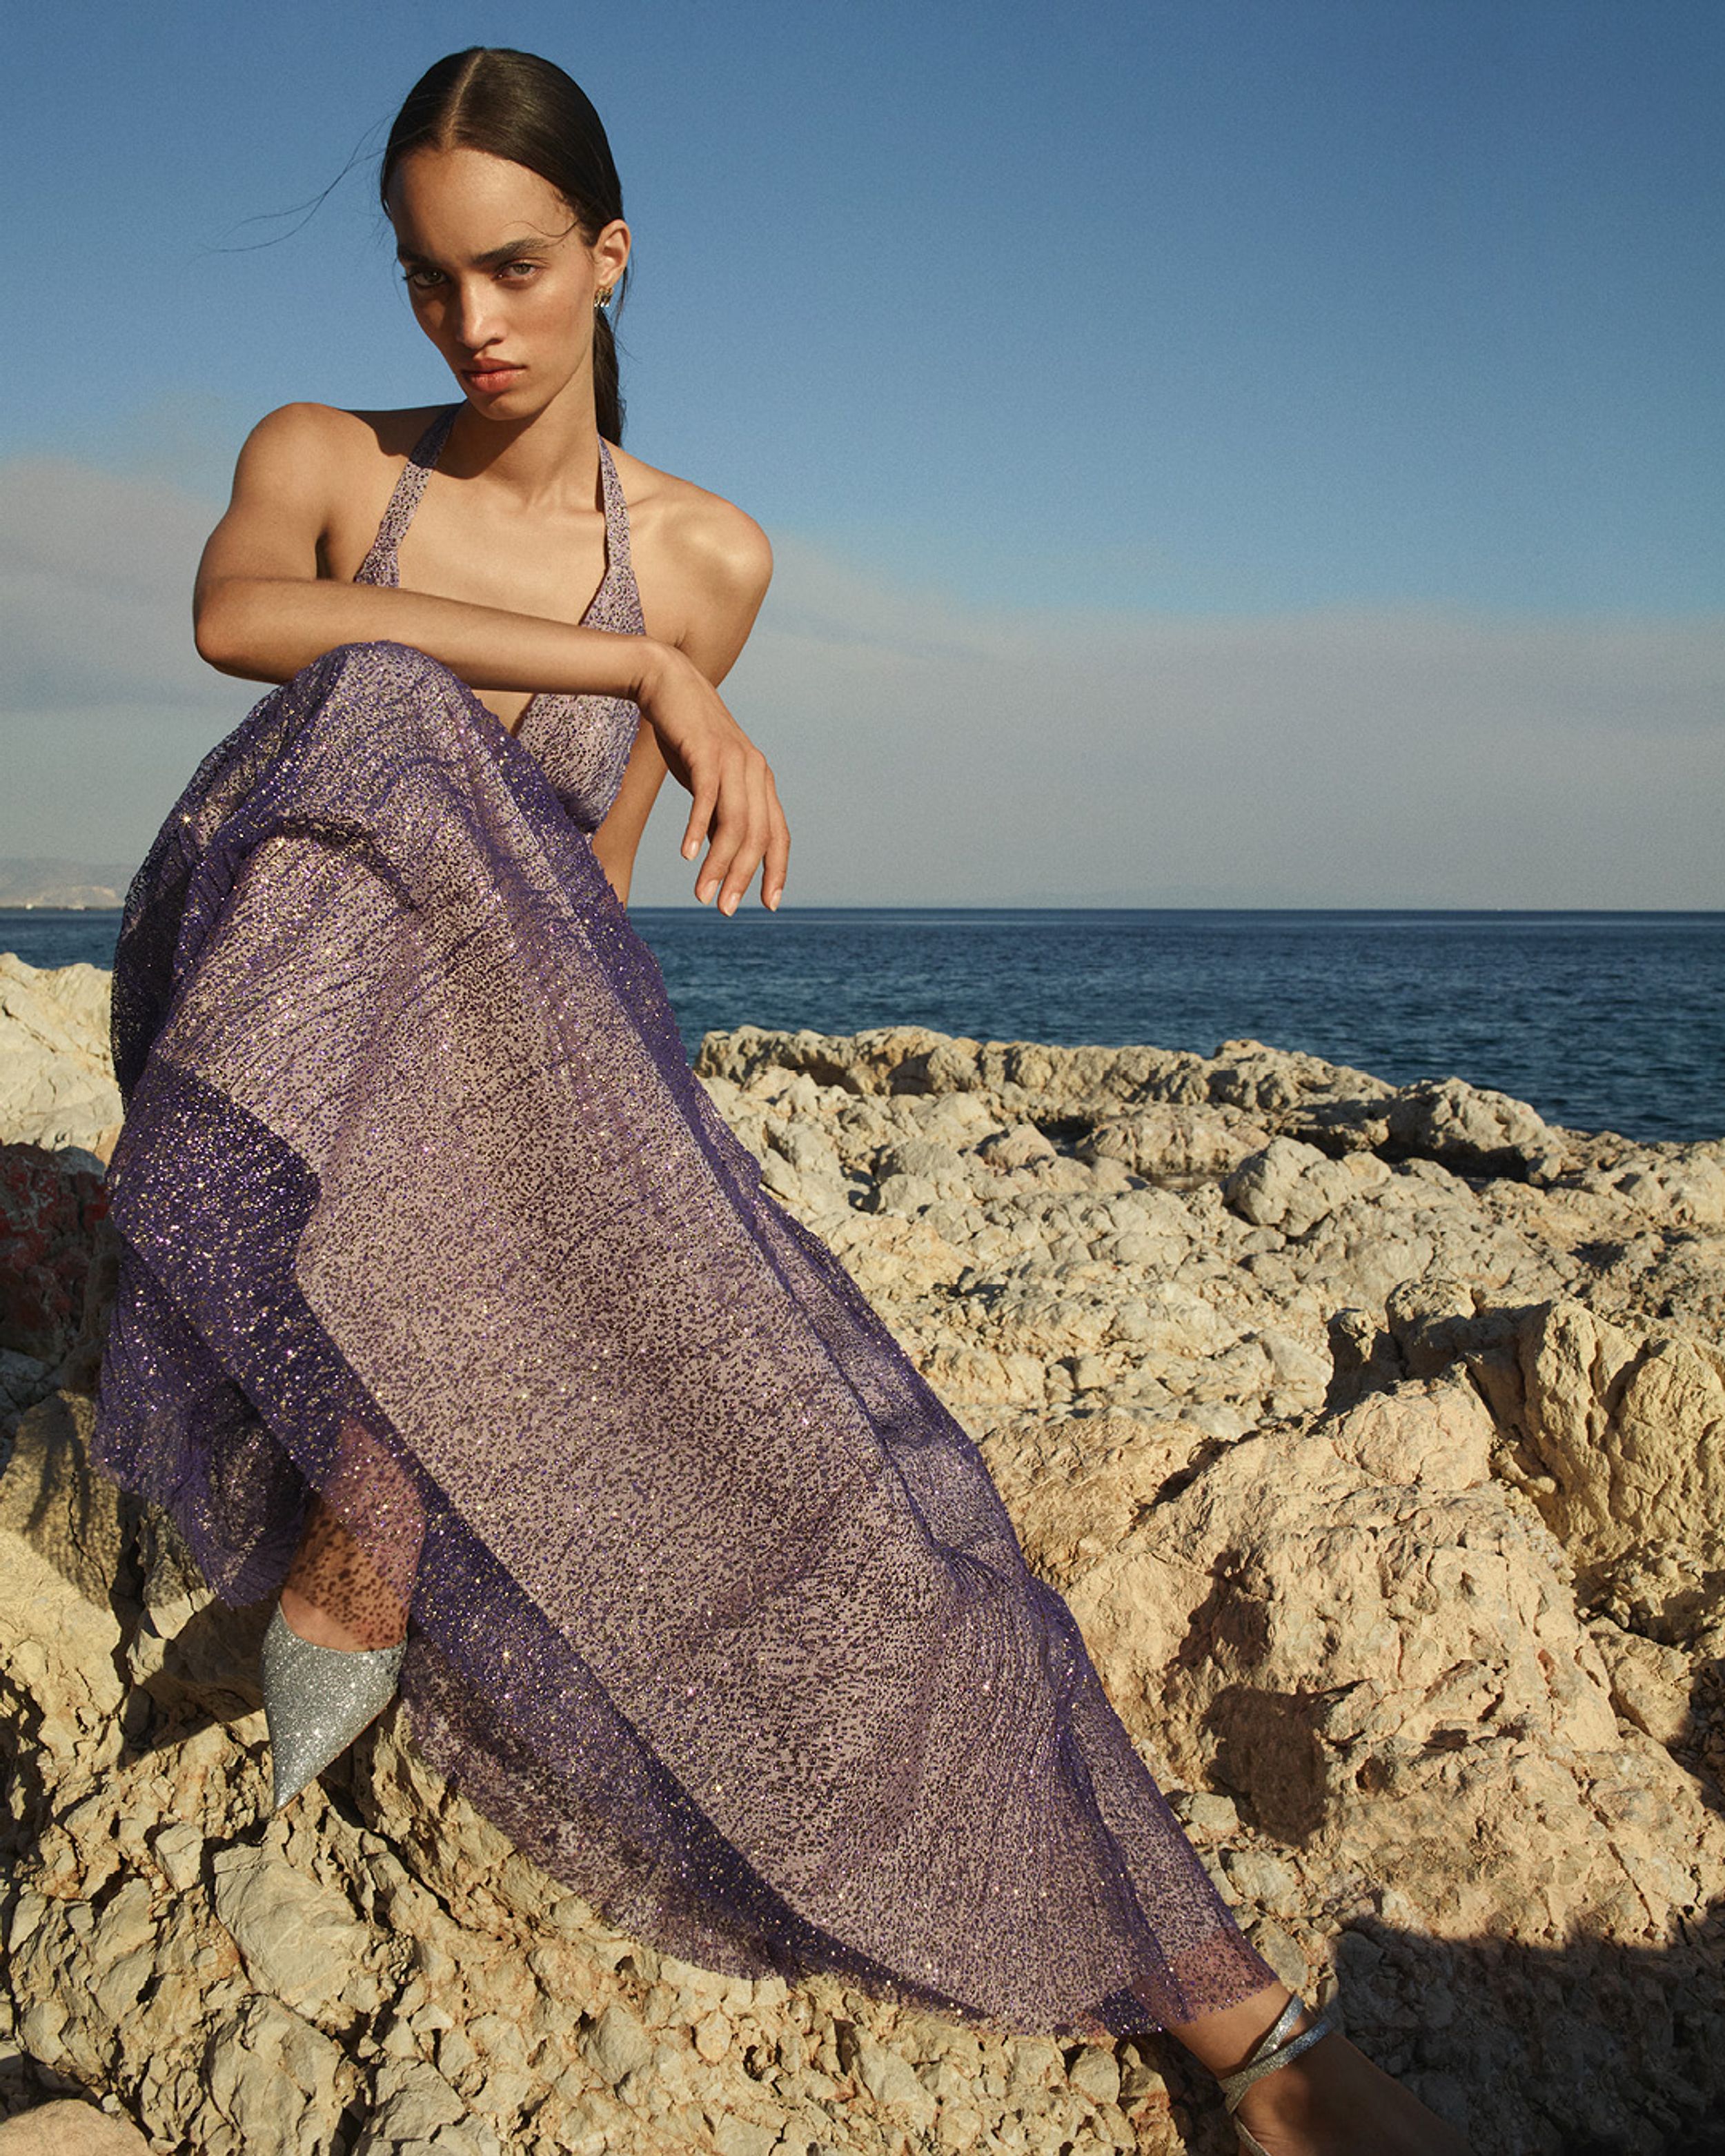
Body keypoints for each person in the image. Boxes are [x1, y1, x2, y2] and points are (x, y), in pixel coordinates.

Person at [88, 48, 1468, 2156]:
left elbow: (581, 902)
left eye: (520, 269)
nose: (474, 324)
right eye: (432, 279)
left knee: (846, 1464)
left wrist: (631, 1175)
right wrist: (627, 673)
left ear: (610, 257)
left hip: (478, 1057)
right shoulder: (325, 464)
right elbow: (233, 624)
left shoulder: (708, 556)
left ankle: (1232, 2017)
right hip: (260, 1021)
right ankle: (374, 1486)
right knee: (377, 711)